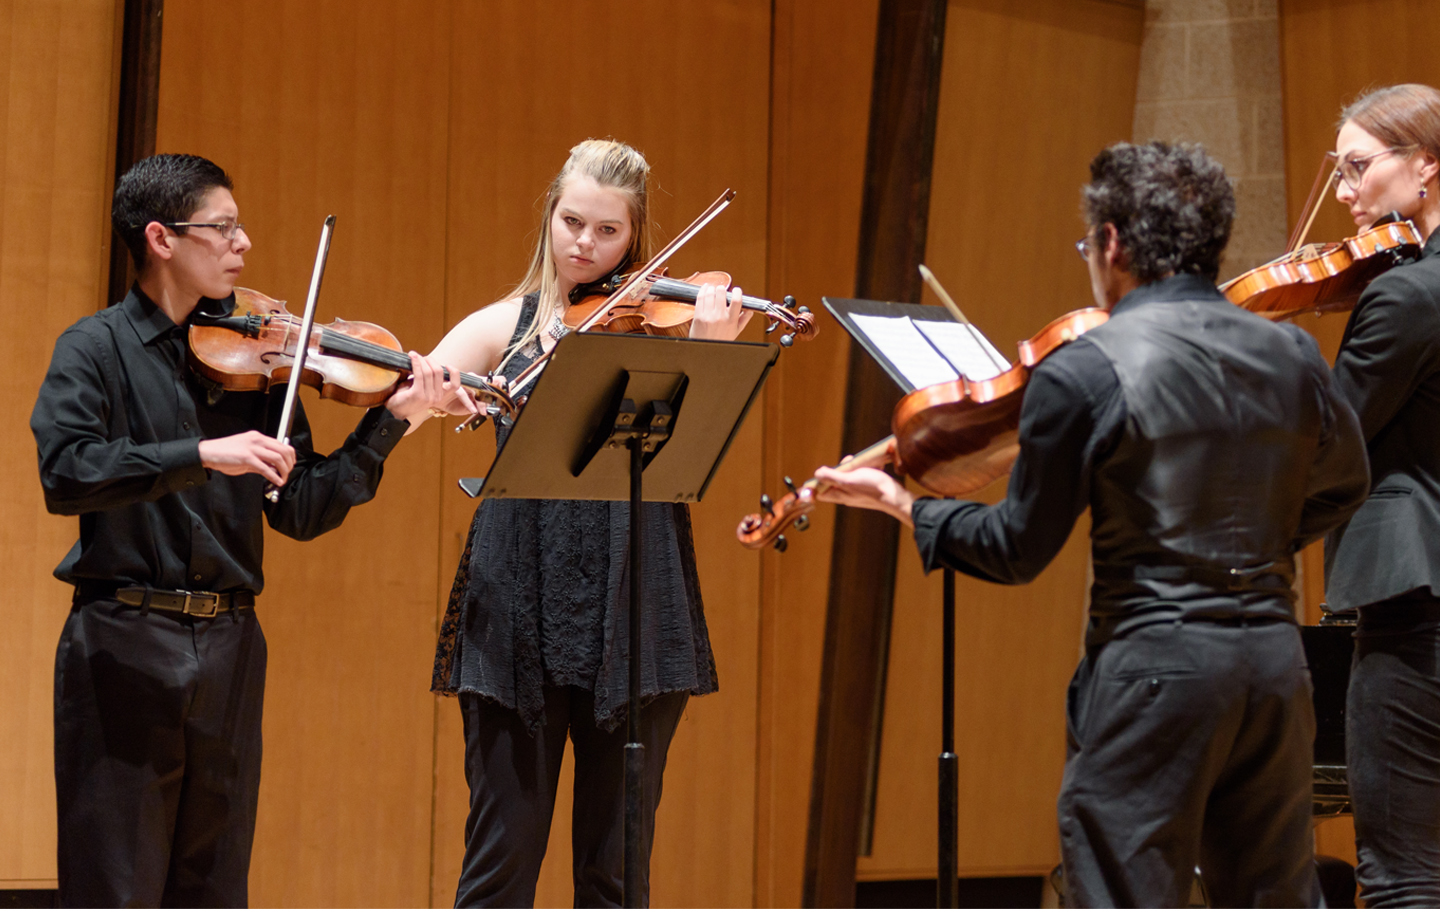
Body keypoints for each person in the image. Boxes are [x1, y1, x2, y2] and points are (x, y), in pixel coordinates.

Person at [815, 141, 1370, 907]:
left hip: (1153, 671)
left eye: (1089, 245)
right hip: (1274, 668)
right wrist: (1255, 547)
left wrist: (906, 504)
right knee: (1272, 898)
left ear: (1111, 243)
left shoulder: (1085, 366)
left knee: (1121, 892)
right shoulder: (1292, 351)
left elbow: (1016, 549)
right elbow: (1347, 484)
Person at [31, 153, 464, 907]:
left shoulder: (259, 359)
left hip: (231, 645)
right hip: (123, 642)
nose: (244, 244)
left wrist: (390, 426)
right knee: (114, 884)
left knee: (216, 884)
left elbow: (300, 509)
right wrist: (201, 453)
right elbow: (67, 473)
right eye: (223, 228)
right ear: (162, 238)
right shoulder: (93, 350)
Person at [418, 138, 751, 908]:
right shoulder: (507, 326)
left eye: (609, 232)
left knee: (616, 874)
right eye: (573, 221)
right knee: (499, 871)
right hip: (518, 610)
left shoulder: (663, 330)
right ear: (551, 216)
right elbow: (413, 388)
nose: (585, 244)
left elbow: (691, 459)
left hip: (634, 605)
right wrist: (430, 394)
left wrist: (708, 354)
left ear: (637, 237)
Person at [1322, 83, 1440, 907]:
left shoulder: (1405, 295)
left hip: (1418, 602)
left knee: (1403, 876)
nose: (1344, 192)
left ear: (1426, 167)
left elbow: (1327, 448)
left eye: (1358, 167)